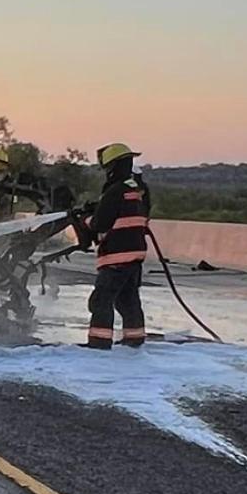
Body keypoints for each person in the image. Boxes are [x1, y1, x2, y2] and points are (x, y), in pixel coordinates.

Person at [78, 142, 151, 349]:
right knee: (127, 300)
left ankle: (99, 342)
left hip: (116, 256)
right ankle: (134, 339)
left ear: (111, 167)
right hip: (135, 255)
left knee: (101, 300)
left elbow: (100, 223)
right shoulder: (138, 190)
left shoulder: (115, 191)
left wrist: (85, 220)